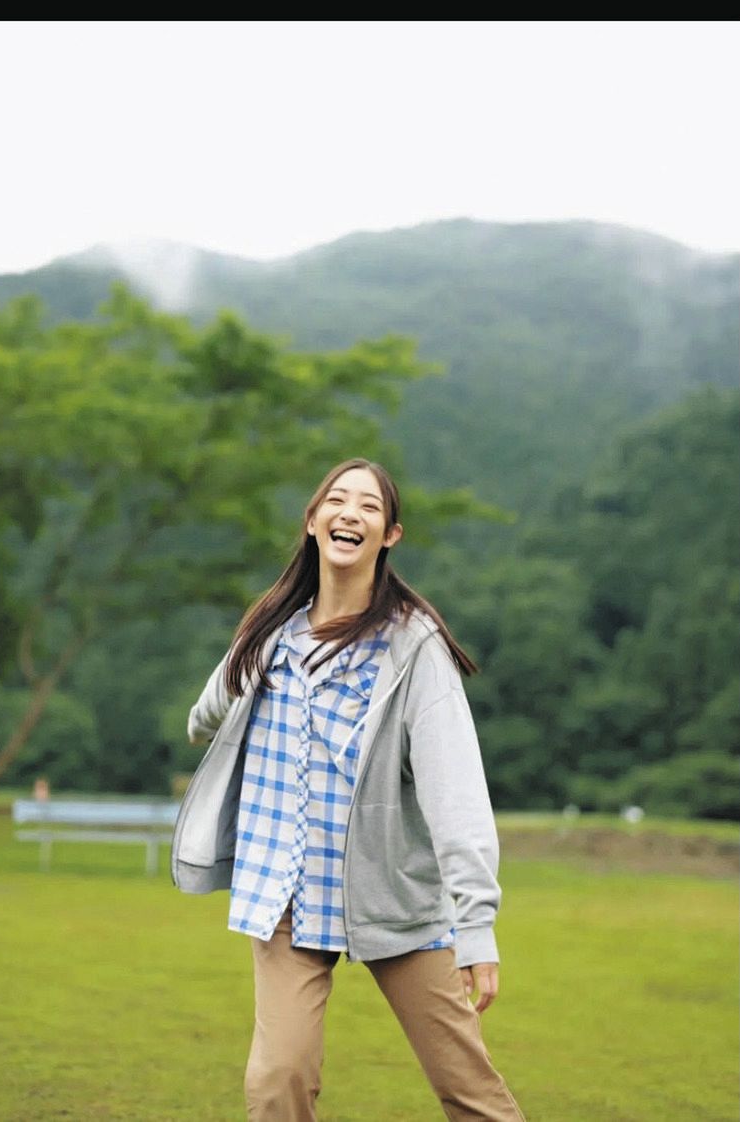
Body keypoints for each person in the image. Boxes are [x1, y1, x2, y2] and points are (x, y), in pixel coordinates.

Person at [171, 458, 526, 1121]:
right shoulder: (269, 633)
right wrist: (229, 700)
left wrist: (475, 926)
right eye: (336, 500)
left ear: (388, 535)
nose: (349, 513)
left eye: (368, 507)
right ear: (311, 523)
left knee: (469, 1092)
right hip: (284, 890)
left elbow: (455, 792)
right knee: (277, 1080)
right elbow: (206, 715)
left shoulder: (412, 647)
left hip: (388, 892)